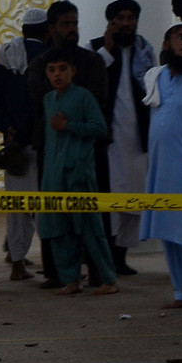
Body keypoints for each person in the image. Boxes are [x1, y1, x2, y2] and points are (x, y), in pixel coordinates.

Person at [28, 0, 109, 288]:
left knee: (91, 215)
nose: (72, 29)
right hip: (51, 150)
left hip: (88, 151)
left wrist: (71, 115)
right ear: (51, 28)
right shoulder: (39, 64)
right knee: (54, 214)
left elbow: (97, 97)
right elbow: (39, 97)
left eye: (75, 23)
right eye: (65, 24)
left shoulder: (92, 61)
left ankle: (99, 272)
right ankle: (58, 274)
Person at [37, 48, 118, 296]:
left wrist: (68, 125)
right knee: (58, 229)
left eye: (62, 69)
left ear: (73, 71)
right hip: (53, 174)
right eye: (52, 70)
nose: (57, 74)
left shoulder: (83, 97)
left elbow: (99, 128)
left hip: (79, 173)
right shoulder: (48, 100)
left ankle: (109, 279)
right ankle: (71, 279)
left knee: (90, 227)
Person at [85, 0, 153, 276]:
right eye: (121, 18)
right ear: (111, 22)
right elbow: (87, 80)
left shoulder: (144, 51)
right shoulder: (93, 49)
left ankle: (120, 257)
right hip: (108, 141)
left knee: (134, 198)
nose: (126, 23)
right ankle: (105, 257)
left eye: (131, 18)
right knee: (109, 198)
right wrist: (108, 49)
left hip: (137, 140)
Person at [0, 8, 49, 281]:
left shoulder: (6, 59)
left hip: (15, 145)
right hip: (44, 143)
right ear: (48, 31)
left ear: (23, 31)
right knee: (47, 207)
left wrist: (7, 128)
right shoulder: (51, 58)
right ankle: (54, 263)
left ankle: (18, 264)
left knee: (18, 207)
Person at [141, 22, 182, 308]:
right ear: (167, 44)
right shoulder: (155, 78)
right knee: (170, 235)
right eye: (180, 37)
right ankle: (181, 292)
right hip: (162, 169)